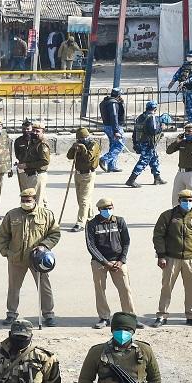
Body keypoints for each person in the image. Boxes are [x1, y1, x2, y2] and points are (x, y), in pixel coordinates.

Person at [0, 188, 61, 326]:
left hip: (38, 259)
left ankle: (48, 314)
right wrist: (6, 252)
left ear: (34, 200)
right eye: (23, 200)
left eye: (28, 200)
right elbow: (3, 235)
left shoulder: (46, 214)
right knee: (13, 287)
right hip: (16, 258)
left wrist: (44, 246)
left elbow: (55, 234)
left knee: (44, 287)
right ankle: (11, 314)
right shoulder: (12, 215)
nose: (25, 203)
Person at [152, 189, 192, 327]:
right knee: (166, 287)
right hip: (171, 258)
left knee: (191, 288)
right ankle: (162, 315)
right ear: (179, 201)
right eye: (184, 200)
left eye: (190, 200)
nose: (187, 203)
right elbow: (158, 236)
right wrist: (161, 255)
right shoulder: (168, 215)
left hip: (191, 258)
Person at [86, 198, 137, 328]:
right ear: (99, 210)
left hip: (118, 261)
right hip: (99, 262)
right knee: (100, 289)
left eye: (110, 208)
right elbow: (91, 246)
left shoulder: (119, 221)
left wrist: (121, 260)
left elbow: (126, 242)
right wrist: (105, 262)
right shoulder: (92, 224)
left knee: (125, 289)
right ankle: (104, 317)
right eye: (105, 209)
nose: (108, 211)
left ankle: (130, 317)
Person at [66, 127, 101, 231]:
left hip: (88, 174)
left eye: (82, 138)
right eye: (79, 139)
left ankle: (80, 223)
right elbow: (69, 156)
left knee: (84, 200)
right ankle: (90, 218)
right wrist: (73, 148)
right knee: (81, 199)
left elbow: (89, 158)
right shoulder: (78, 145)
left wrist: (83, 148)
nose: (81, 140)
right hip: (78, 174)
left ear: (87, 137)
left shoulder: (93, 145)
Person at [126, 100, 167, 188]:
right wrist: (161, 127)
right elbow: (154, 131)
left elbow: (135, 131)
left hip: (141, 142)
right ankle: (131, 180)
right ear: (155, 109)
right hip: (148, 143)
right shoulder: (152, 117)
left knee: (154, 158)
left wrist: (135, 143)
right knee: (144, 161)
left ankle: (157, 178)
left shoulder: (140, 117)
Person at [14, 121, 50, 202]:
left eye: (37, 131)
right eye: (33, 130)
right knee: (29, 197)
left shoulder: (42, 144)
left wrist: (27, 165)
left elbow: (45, 161)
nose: (34, 133)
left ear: (43, 132)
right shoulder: (32, 142)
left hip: (37, 174)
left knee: (36, 201)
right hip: (29, 173)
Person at [168, 49, 192, 123]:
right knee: (187, 104)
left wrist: (185, 82)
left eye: (190, 56)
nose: (188, 58)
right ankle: (190, 120)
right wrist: (173, 81)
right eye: (188, 56)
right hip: (185, 87)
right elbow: (178, 72)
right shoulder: (185, 64)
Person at [98, 88, 127, 173]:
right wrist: (116, 131)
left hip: (107, 126)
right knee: (119, 145)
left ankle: (112, 166)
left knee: (113, 145)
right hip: (113, 127)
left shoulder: (106, 102)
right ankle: (104, 159)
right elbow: (114, 116)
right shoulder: (113, 103)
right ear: (118, 95)